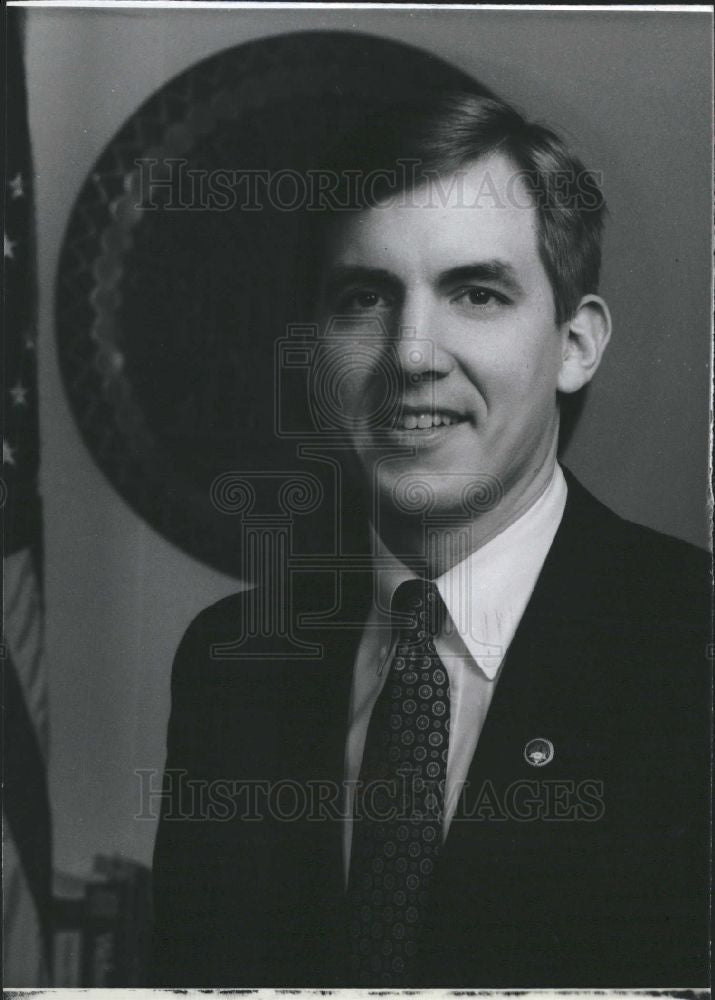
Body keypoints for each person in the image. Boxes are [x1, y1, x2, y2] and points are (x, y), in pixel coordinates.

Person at [151, 91, 710, 988]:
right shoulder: (230, 663)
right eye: (365, 298)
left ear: (575, 343)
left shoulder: (691, 648)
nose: (409, 354)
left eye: (476, 293)